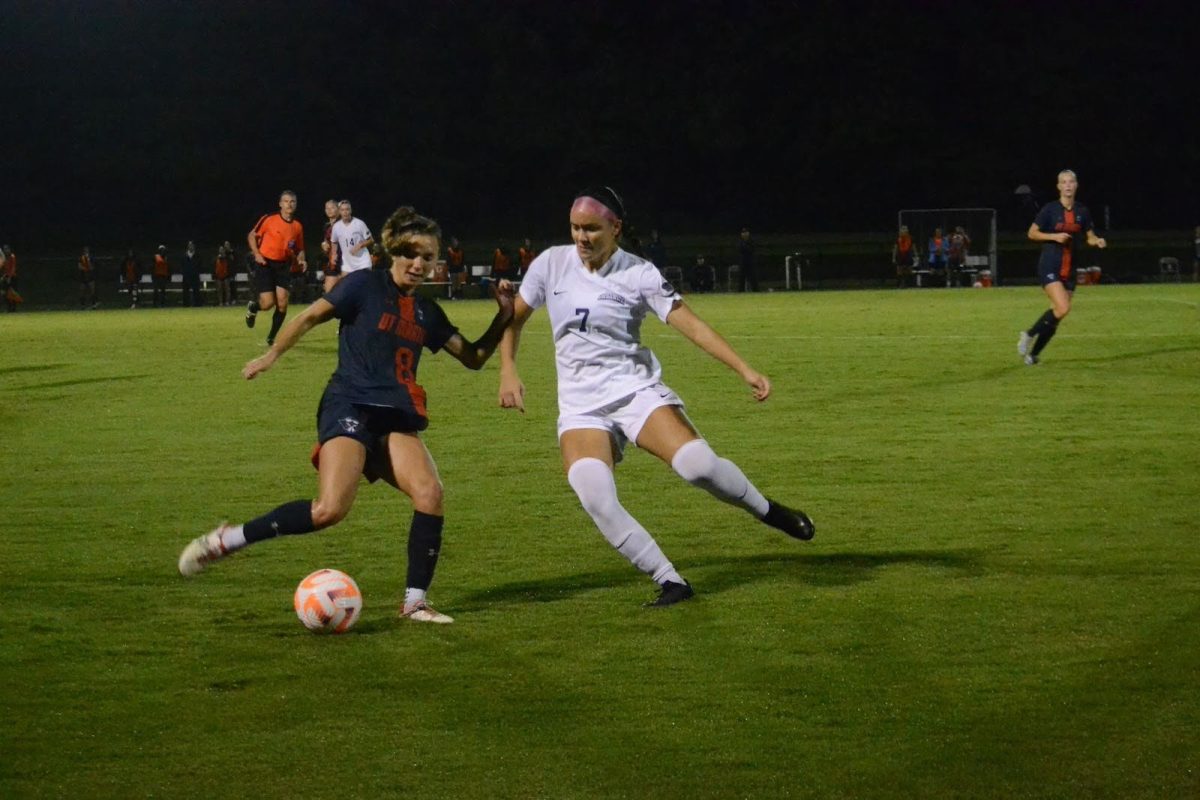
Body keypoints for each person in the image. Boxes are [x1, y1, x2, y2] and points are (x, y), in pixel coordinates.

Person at [179, 206, 517, 625]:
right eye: (411, 254)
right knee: (329, 510)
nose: (419, 264)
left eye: (428, 257)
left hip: (395, 417)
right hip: (350, 404)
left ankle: (415, 602)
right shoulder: (363, 286)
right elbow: (308, 317)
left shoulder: (429, 313)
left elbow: (473, 357)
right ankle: (228, 540)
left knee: (430, 494)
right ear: (394, 250)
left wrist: (504, 314)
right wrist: (272, 354)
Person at [497, 187, 815, 608]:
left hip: (634, 391)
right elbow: (512, 319)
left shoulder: (639, 273)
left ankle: (767, 511)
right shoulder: (550, 264)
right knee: (593, 493)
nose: (581, 237)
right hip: (581, 407)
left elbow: (692, 325)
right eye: (575, 227)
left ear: (616, 228)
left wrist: (744, 368)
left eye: (592, 228)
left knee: (697, 466)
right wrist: (508, 370)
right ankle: (670, 581)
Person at [1017, 169, 1107, 365]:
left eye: (1071, 182)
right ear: (1058, 186)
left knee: (1057, 313)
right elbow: (1032, 233)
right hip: (1050, 265)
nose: (1067, 185)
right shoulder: (1050, 210)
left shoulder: (1082, 211)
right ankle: (1028, 334)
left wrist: (1096, 240)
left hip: (1070, 268)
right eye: (1064, 182)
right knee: (1063, 306)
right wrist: (1054, 236)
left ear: (1076, 185)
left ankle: (1033, 355)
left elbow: (1089, 236)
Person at [245, 190, 306, 346]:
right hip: (265, 263)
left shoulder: (297, 226)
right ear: (280, 204)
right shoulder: (269, 219)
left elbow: (299, 249)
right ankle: (253, 306)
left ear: (296, 204)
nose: (289, 204)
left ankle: (271, 338)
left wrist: (302, 260)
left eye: (292, 201)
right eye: (286, 201)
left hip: (283, 266)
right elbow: (252, 235)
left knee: (283, 303)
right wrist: (256, 254)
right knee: (267, 303)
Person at [330, 199, 375, 282]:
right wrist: (333, 254)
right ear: (339, 212)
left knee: (363, 288)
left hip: (362, 263)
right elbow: (334, 241)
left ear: (351, 210)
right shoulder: (336, 227)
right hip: (347, 264)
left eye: (347, 209)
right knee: (345, 288)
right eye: (342, 210)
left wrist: (359, 246)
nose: (345, 212)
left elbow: (371, 240)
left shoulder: (359, 223)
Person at [320, 198, 342, 294]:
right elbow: (326, 244)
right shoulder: (327, 226)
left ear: (338, 209)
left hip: (345, 264)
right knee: (330, 295)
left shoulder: (344, 224)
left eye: (332, 208)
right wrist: (323, 245)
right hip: (333, 264)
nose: (329, 210)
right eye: (327, 208)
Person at [181, 240, 202, 307]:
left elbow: (199, 265)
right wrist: (184, 273)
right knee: (185, 292)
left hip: (195, 276)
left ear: (194, 246)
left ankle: (197, 304)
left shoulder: (197, 255)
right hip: (186, 276)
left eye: (192, 245)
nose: (191, 246)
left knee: (196, 291)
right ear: (188, 246)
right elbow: (182, 265)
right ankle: (186, 305)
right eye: (189, 245)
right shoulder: (184, 255)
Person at [737, 227, 759, 292]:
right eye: (743, 233)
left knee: (753, 277)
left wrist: (745, 247)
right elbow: (739, 249)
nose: (744, 234)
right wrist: (746, 247)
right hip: (743, 261)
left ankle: (756, 290)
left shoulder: (752, 240)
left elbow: (751, 249)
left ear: (748, 233)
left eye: (746, 232)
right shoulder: (740, 241)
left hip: (751, 261)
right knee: (741, 278)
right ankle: (741, 291)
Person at [2, 245, 20, 312]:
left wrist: (10, 277)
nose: (6, 250)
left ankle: (14, 308)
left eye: (7, 249)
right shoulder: (4, 258)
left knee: (13, 293)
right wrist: (4, 276)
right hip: (6, 277)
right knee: (6, 293)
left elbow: (13, 268)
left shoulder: (12, 256)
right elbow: (4, 268)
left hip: (13, 277)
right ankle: (9, 308)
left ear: (9, 249)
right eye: (4, 249)